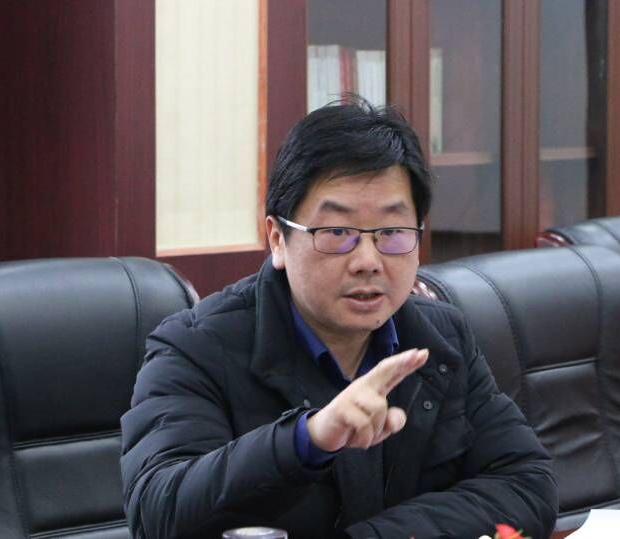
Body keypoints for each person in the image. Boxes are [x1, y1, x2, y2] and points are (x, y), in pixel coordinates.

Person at [120, 98, 558, 539]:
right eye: (337, 233)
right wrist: (305, 440)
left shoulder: (440, 339)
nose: (368, 261)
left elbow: (526, 484)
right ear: (277, 238)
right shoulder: (195, 348)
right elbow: (159, 512)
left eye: (391, 232)